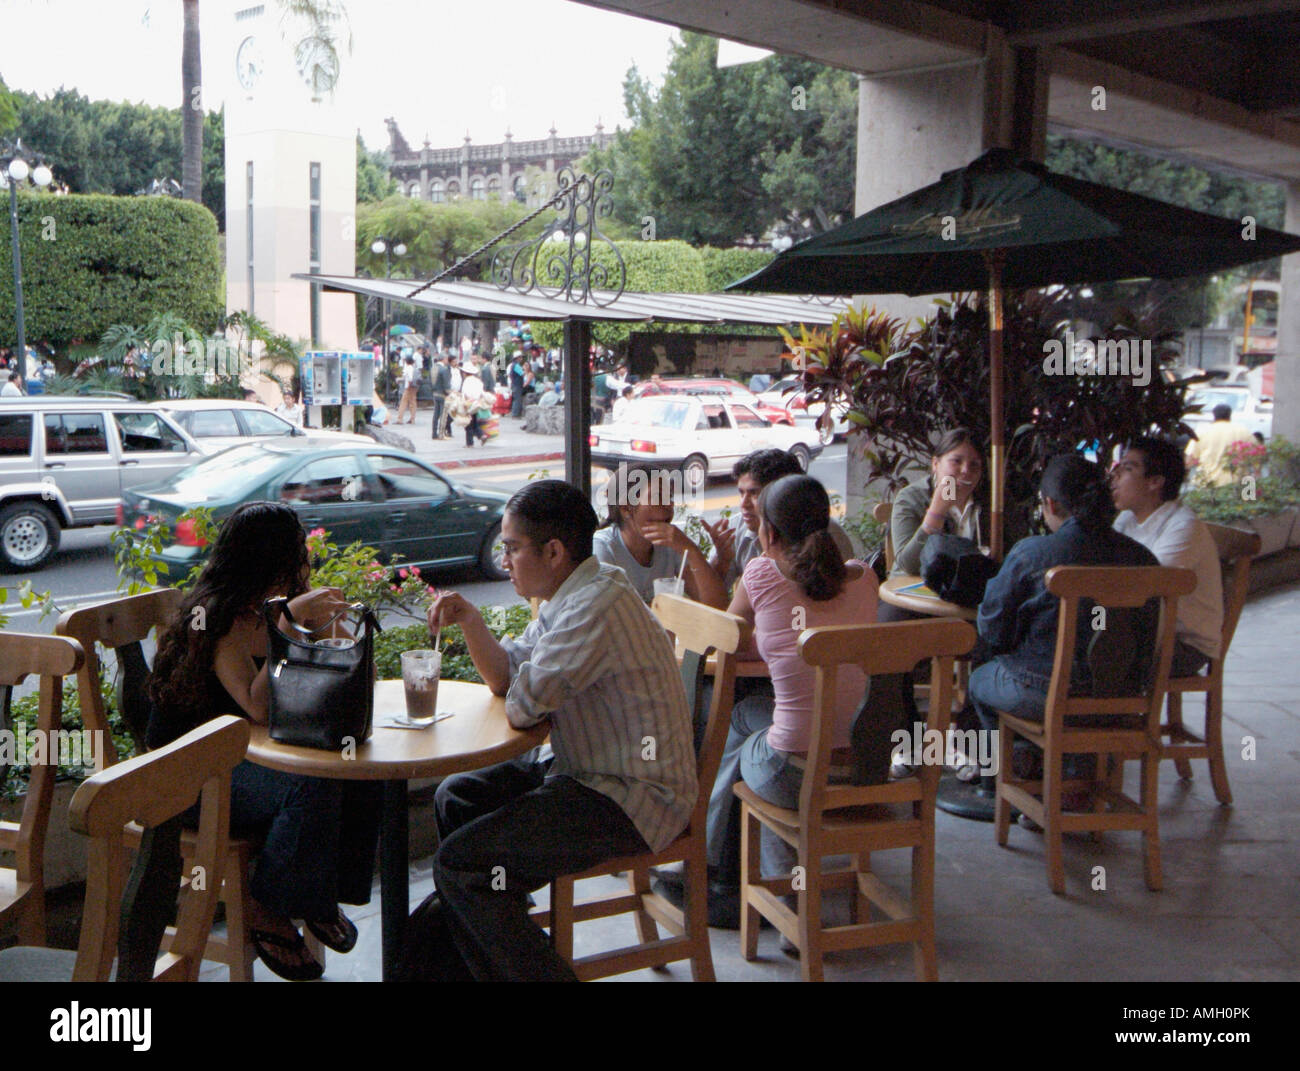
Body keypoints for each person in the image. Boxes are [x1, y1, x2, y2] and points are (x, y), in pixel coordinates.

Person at [426, 480, 696, 981]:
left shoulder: (597, 605)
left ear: (553, 551)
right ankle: (500, 940)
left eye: (511, 548)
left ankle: (510, 949)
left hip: (635, 792)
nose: (503, 560)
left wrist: (519, 686)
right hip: (586, 768)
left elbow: (524, 706)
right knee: (455, 797)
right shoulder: (572, 593)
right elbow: (507, 677)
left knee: (461, 869)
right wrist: (468, 620)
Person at [146, 503, 381, 981]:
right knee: (308, 784)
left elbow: (353, 681)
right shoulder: (216, 617)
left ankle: (319, 894)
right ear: (266, 561)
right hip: (184, 776)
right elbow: (258, 706)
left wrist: (336, 631)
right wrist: (290, 624)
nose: (301, 566)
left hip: (241, 756)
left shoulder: (278, 607)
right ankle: (265, 906)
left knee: (359, 770)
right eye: (293, 556)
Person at [662, 475, 878, 929]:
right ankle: (790, 901)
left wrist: (771, 637)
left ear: (769, 533)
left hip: (794, 776)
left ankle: (702, 860)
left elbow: (728, 640)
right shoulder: (865, 578)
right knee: (770, 728)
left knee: (742, 722)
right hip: (865, 769)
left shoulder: (762, 573)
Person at [969, 454, 1158, 815]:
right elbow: (1148, 640)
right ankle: (1074, 781)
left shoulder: (1032, 553)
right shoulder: (1144, 559)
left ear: (1050, 504)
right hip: (1124, 698)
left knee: (980, 680)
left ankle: (1020, 778)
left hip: (1043, 694)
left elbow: (991, 627)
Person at [1111, 436, 1223, 677]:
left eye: (1128, 468)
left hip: (1183, 645)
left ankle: (1118, 714)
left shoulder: (1183, 527)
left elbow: (1147, 589)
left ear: (1155, 482)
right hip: (1145, 630)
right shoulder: (1127, 518)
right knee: (1083, 637)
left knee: (1099, 651)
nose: (1116, 475)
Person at [710, 448, 854, 591]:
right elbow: (711, 601)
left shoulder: (828, 537)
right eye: (741, 493)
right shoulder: (735, 529)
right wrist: (722, 561)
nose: (743, 504)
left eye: (754, 493)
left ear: (784, 495)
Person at [593, 465, 727, 609]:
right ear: (626, 508)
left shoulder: (670, 544)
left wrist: (691, 551)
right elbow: (608, 616)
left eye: (669, 497)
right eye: (658, 497)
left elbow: (717, 607)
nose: (669, 504)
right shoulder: (604, 548)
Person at [887, 428, 985, 583]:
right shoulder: (912, 497)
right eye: (956, 461)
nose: (966, 471)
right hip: (914, 589)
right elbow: (908, 565)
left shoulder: (990, 502)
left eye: (974, 465)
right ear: (935, 464)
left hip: (967, 592)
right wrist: (936, 512)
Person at [1186, 403, 1256, 487]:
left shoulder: (1201, 432)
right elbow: (1256, 456)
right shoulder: (1244, 431)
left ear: (1214, 415)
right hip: (1236, 483)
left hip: (1207, 482)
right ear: (1230, 415)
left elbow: (1189, 461)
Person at [459, 365, 490, 447]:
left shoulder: (466, 381)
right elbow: (481, 393)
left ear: (465, 373)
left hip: (469, 404)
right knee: (475, 423)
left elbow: (464, 394)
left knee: (468, 424)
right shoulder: (478, 381)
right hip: (476, 403)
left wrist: (464, 403)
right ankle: (482, 435)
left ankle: (469, 443)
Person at [430, 353, 452, 440]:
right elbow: (446, 384)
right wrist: (449, 393)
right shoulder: (444, 370)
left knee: (435, 414)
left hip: (435, 393)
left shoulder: (433, 368)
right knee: (443, 414)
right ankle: (441, 434)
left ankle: (434, 433)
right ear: (443, 359)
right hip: (443, 394)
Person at [396, 356, 419, 425]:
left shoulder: (408, 368)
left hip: (409, 387)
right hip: (414, 387)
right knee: (413, 403)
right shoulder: (414, 368)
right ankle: (412, 419)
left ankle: (400, 419)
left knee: (403, 402)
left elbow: (409, 378)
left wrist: (408, 386)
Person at [508, 352, 526, 419]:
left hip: (514, 384)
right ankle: (515, 414)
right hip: (517, 384)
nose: (521, 359)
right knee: (517, 399)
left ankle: (515, 413)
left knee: (516, 399)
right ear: (517, 358)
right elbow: (522, 374)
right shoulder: (516, 365)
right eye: (520, 357)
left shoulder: (512, 365)